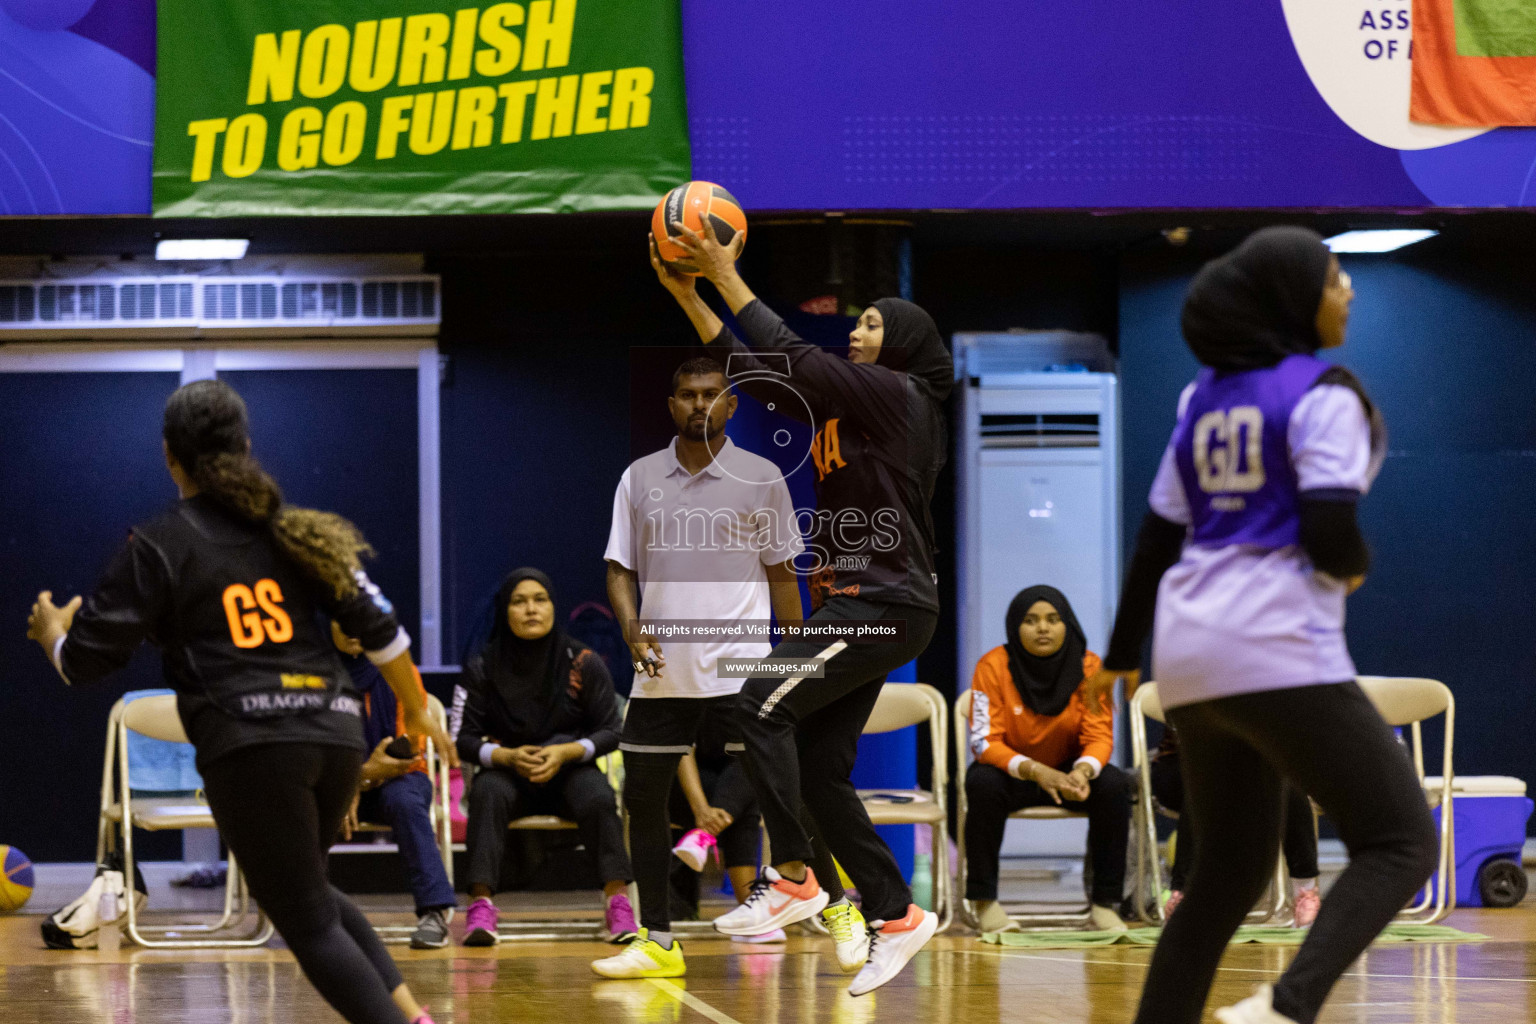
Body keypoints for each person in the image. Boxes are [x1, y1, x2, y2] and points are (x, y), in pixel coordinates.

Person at [1084, 226, 1437, 1024]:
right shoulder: (1326, 394)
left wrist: (1121, 651)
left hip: (1192, 657)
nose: (1347, 291)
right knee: (1404, 840)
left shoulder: (1200, 396)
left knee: (1228, 874)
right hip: (1275, 644)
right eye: (1336, 278)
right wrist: (1353, 566)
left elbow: (1157, 535)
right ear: (1293, 300)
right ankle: (1286, 1006)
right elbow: (1327, 525)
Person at [24, 379, 453, 1024]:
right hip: (337, 737)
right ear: (247, 445)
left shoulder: (158, 544)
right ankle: (413, 1016)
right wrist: (416, 706)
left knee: (305, 922)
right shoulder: (299, 530)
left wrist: (53, 635)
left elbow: (84, 663)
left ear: (170, 456)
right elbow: (384, 629)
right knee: (313, 897)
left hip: (253, 747)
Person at [651, 219, 950, 996]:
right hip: (870, 602)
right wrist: (691, 295)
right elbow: (759, 369)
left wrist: (723, 269)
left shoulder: (898, 394)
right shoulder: (860, 404)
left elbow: (787, 350)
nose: (858, 330)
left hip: (884, 601)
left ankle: (794, 878)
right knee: (820, 769)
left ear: (906, 342)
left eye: (875, 322)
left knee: (758, 703)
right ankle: (895, 914)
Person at [592, 356, 805, 980]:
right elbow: (618, 568)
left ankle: (832, 909)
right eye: (686, 394)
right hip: (661, 673)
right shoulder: (638, 478)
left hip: (743, 670)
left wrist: (792, 657)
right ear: (672, 404)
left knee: (786, 790)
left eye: (711, 395)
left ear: (731, 406)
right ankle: (657, 938)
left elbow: (781, 572)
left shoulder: (763, 477)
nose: (698, 405)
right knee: (645, 801)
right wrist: (631, 625)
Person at [454, 568, 633, 946]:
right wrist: (506, 756)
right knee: (486, 794)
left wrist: (565, 751)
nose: (531, 609)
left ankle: (618, 904)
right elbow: (463, 739)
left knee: (600, 798)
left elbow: (611, 730)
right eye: (519, 602)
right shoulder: (481, 667)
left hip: (569, 768)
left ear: (553, 606)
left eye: (540, 599)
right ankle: (481, 907)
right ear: (505, 610)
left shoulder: (581, 661)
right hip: (508, 770)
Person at [964, 585, 1131, 934]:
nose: (1043, 628)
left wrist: (1083, 771)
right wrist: (1036, 771)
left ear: (1067, 624)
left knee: (1114, 785)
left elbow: (1099, 735)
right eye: (1031, 620)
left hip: (1070, 773)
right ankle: (985, 903)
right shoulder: (992, 665)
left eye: (1053, 620)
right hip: (1016, 773)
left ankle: (1104, 905)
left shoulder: (1091, 667)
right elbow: (983, 742)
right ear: (1015, 626)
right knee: (980, 782)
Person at [332, 622, 458, 949]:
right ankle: (305, 913)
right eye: (340, 618)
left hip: (398, 776)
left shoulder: (398, 672)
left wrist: (362, 777)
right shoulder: (312, 674)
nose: (352, 627)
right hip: (333, 779)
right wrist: (350, 781)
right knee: (309, 800)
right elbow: (307, 750)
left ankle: (433, 912)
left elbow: (405, 753)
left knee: (403, 798)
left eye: (356, 616)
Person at [1149, 727, 1321, 927]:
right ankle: (1182, 894)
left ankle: (1304, 891)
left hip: (1253, 761)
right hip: (1185, 760)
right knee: (1202, 779)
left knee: (1287, 780)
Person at [666, 708, 780, 942]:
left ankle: (701, 838)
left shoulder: (754, 679)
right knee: (747, 797)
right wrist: (702, 811)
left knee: (749, 770)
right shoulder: (691, 677)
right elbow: (682, 749)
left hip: (736, 779)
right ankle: (750, 909)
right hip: (684, 782)